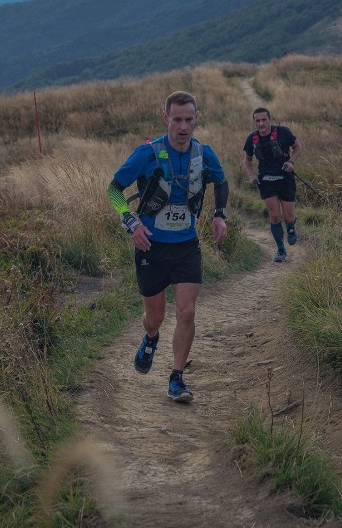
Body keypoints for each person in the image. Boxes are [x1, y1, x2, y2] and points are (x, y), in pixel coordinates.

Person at [107, 91, 229, 403]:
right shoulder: (147, 153)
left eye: (189, 119)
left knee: (187, 311)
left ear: (196, 118)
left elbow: (221, 181)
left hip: (186, 246)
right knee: (156, 316)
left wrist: (219, 215)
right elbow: (114, 190)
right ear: (166, 119)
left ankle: (176, 378)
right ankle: (150, 338)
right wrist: (131, 222)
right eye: (177, 119)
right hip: (151, 247)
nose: (183, 126)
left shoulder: (204, 153)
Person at [242, 107, 302, 262]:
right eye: (257, 120)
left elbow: (297, 147)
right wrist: (251, 175)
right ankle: (281, 250)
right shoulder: (252, 139)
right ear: (254, 122)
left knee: (288, 217)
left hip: (285, 178)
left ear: (270, 119)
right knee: (275, 216)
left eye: (264, 119)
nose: (261, 123)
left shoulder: (283, 132)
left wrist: (291, 161)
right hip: (266, 180)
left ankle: (290, 227)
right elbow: (247, 160)